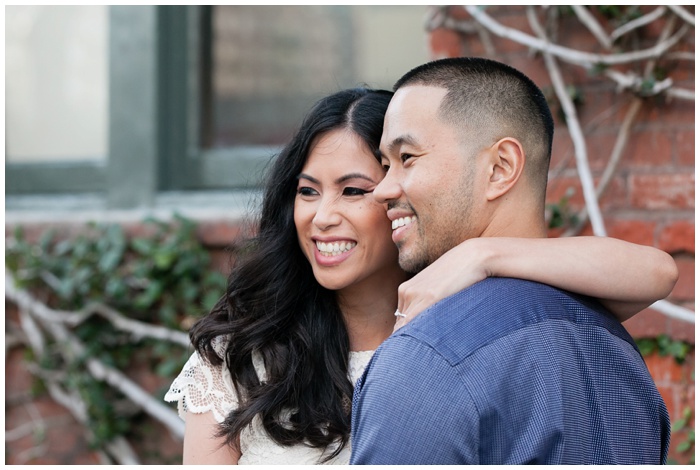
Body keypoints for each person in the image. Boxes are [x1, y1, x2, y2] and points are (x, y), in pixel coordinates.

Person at [164, 87, 677, 465]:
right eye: (307, 191)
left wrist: (482, 254)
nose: (321, 216)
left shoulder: (465, 326)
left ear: (396, 196)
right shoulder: (240, 356)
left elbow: (655, 272)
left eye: (354, 190)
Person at [350, 58, 672, 465]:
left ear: (500, 168)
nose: (382, 189)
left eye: (407, 157)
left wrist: (481, 254)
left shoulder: (427, 355)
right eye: (383, 165)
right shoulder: (614, 344)